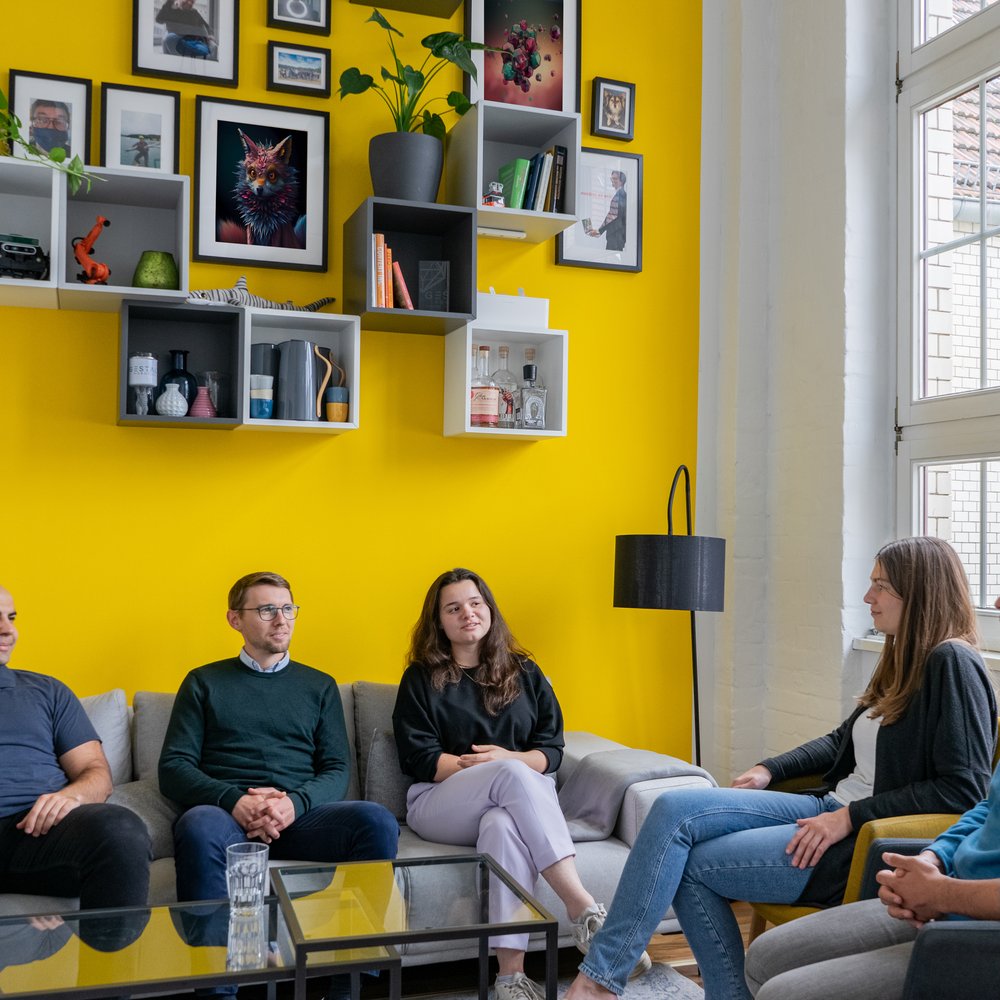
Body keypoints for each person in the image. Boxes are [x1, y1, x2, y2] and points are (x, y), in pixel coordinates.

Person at [565, 536, 997, 1000]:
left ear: (920, 592)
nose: (868, 597)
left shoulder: (952, 662)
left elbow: (962, 789)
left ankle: (628, 984)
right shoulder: (902, 655)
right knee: (672, 808)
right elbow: (841, 743)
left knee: (690, 864)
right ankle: (605, 980)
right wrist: (770, 768)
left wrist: (847, 818)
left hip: (859, 838)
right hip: (826, 807)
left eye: (881, 586)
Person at [392, 568, 651, 1000]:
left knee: (501, 825)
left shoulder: (525, 672)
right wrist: (494, 767)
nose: (467, 614)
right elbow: (419, 759)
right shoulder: (421, 677)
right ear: (438, 622)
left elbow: (551, 750)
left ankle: (509, 975)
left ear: (489, 609)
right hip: (439, 802)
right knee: (511, 776)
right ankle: (583, 909)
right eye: (453, 608)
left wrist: (508, 759)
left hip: (510, 803)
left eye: (475, 603)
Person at [159, 571, 400, 1000]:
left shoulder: (319, 685)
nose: (281, 619)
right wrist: (233, 800)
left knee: (375, 821)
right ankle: (218, 992)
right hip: (227, 818)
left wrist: (294, 804)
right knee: (197, 826)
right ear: (235, 619)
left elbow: (336, 768)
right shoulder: (203, 682)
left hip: (300, 817)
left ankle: (348, 986)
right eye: (267, 609)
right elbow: (174, 767)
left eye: (288, 608)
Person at [0, 584, 151, 914]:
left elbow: (95, 772)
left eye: (11, 617)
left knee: (120, 829)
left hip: (35, 834)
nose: (8, 630)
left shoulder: (47, 691)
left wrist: (72, 797)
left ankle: (111, 966)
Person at [586, 171, 626, 251]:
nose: (612, 181)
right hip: (618, 236)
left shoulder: (619, 196)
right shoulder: (622, 195)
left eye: (615, 178)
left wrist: (599, 231)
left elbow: (611, 216)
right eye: (612, 178)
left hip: (615, 235)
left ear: (621, 181)